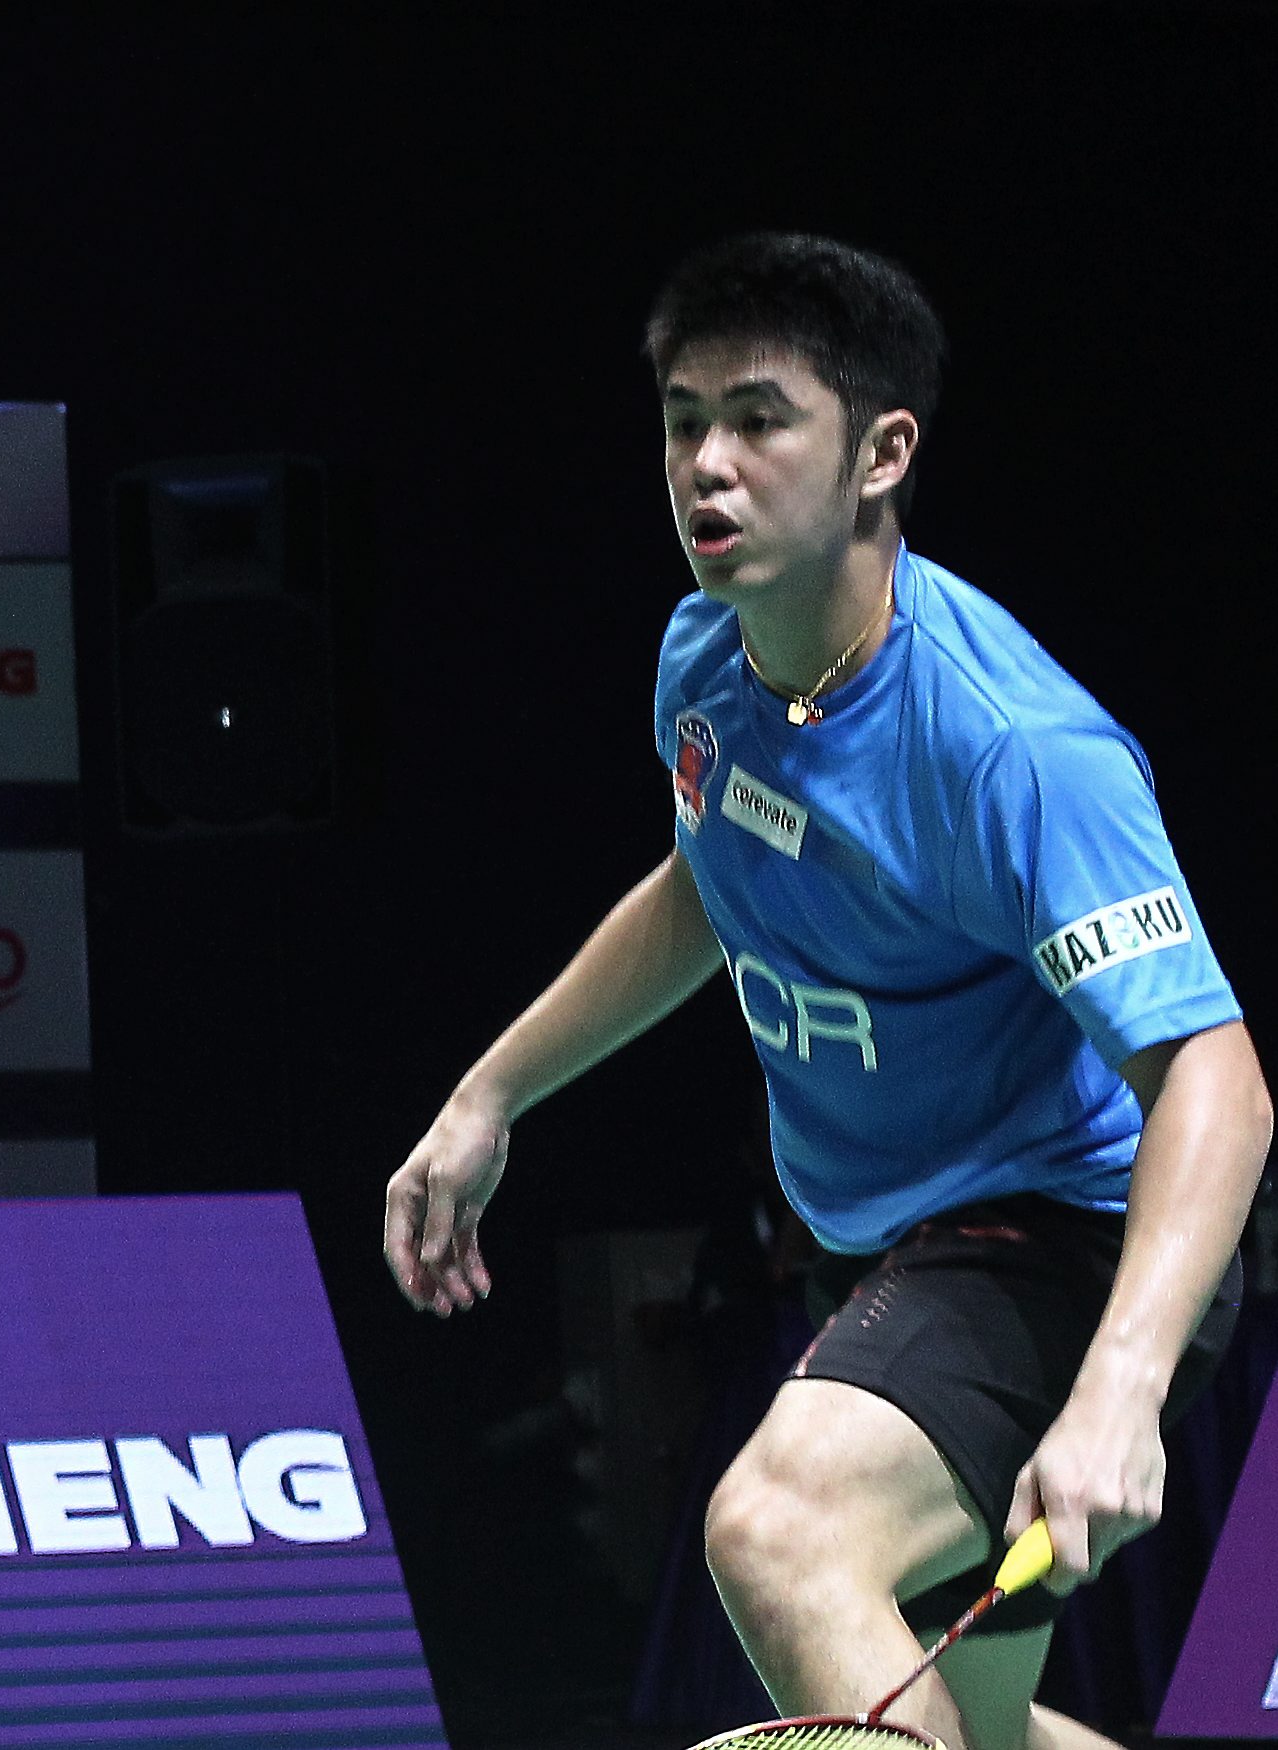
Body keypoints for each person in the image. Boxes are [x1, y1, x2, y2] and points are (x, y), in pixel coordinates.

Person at [381, 234, 1267, 1748]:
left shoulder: (1007, 750)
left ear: (881, 453)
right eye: (682, 422)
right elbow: (707, 887)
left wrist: (1117, 1388)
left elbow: (1216, 1080)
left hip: (1070, 1238)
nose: (706, 466)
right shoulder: (708, 667)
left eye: (759, 420)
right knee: (970, 1726)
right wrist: (490, 1094)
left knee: (781, 1527)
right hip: (888, 1245)